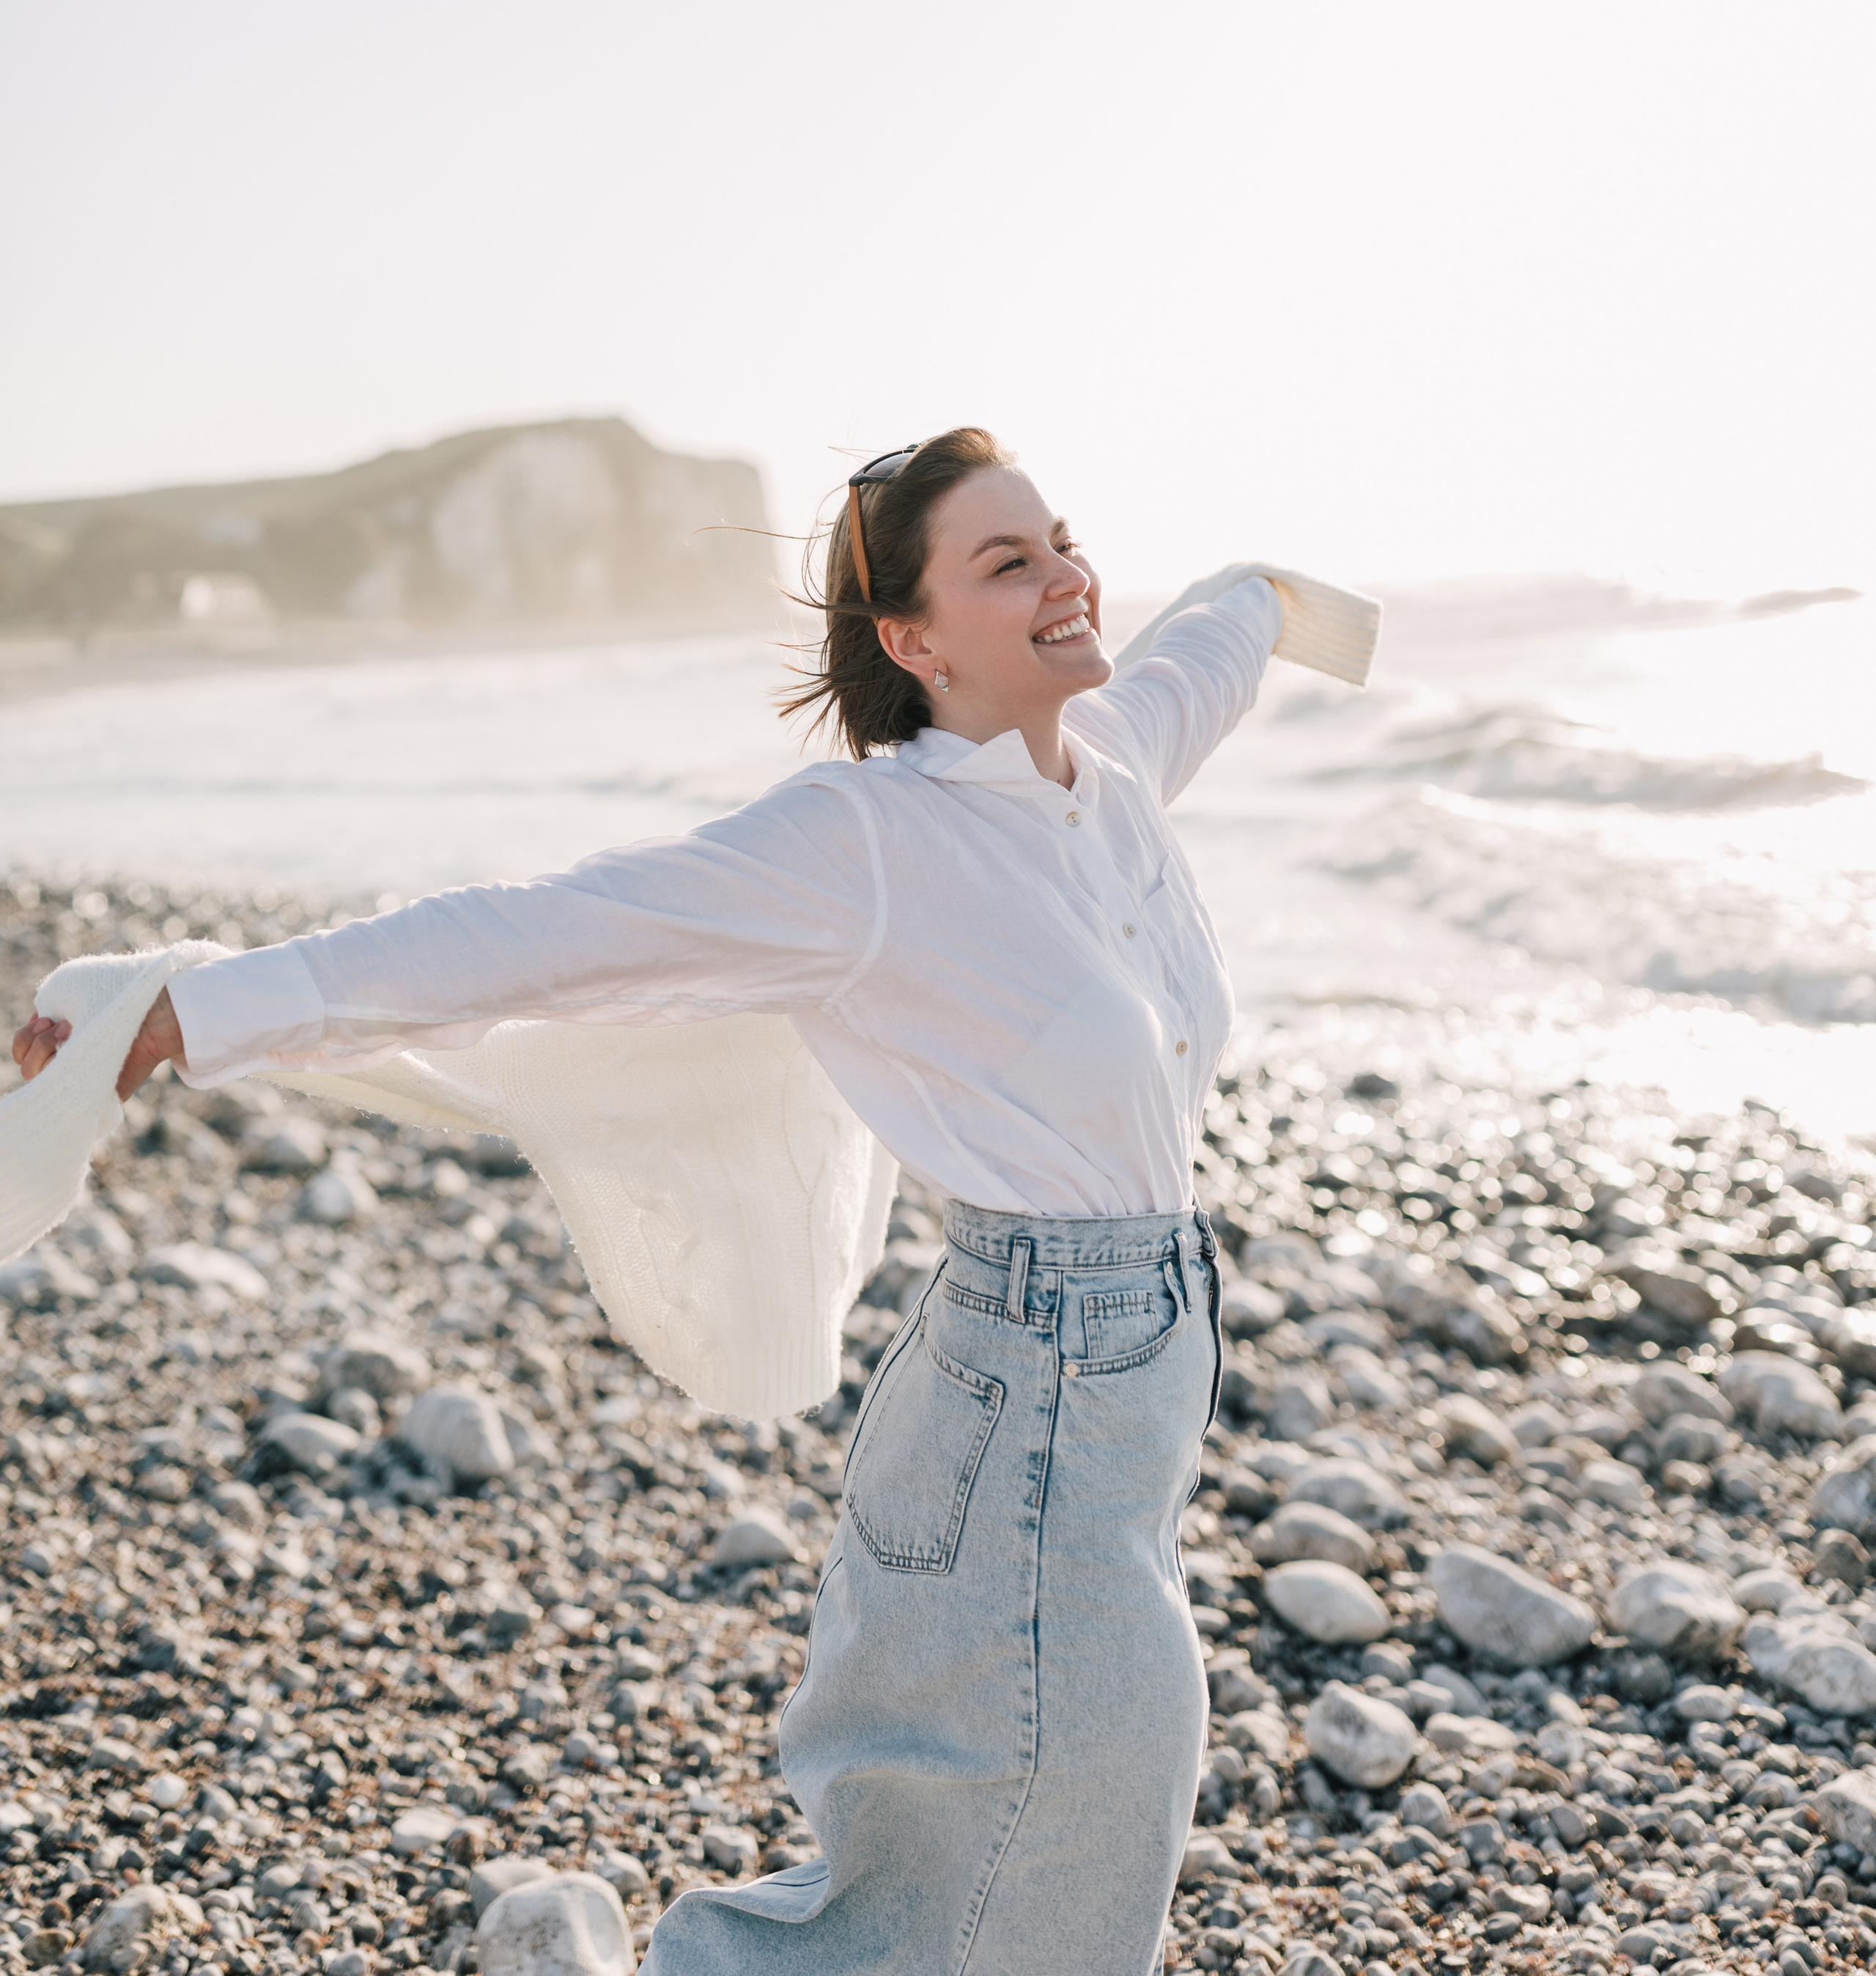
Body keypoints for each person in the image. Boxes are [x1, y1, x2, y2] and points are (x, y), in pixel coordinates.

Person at [13, 427, 1376, 1976]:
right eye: (1009, 563)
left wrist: (1278, 600)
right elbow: (534, 936)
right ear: (913, 642)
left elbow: (1208, 645)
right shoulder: (864, 845)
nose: (1067, 577)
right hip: (1031, 1397)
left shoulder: (1113, 761)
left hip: (1111, 1383)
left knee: (1000, 1853)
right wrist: (187, 1015)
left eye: (1062, 539)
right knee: (1043, 1853)